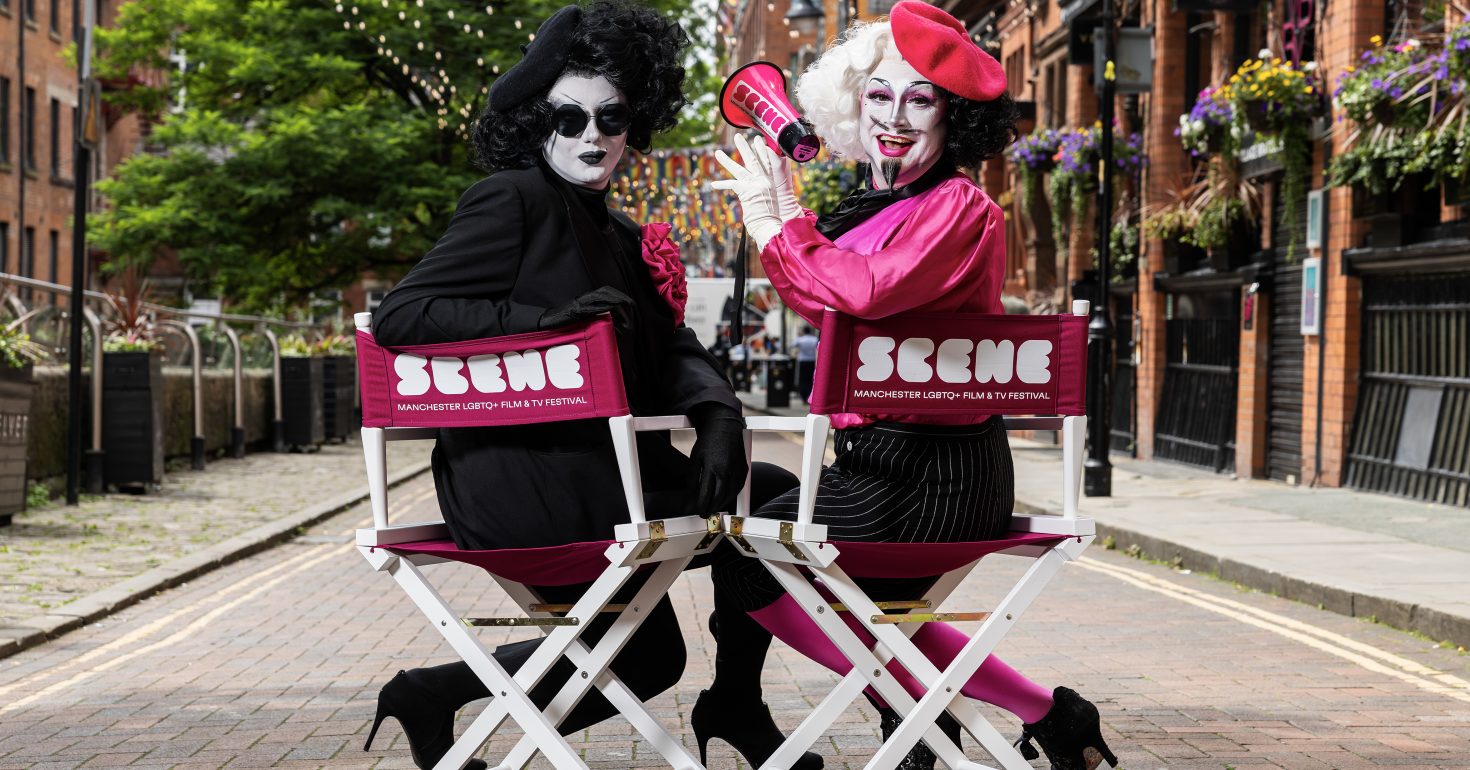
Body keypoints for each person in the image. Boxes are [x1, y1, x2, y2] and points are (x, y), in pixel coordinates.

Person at [363, 4, 817, 768]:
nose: (592, 137)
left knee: (676, 622)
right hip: (517, 479)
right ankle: (733, 706)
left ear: (634, 126)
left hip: (607, 476)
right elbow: (403, 315)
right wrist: (545, 321)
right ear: (537, 124)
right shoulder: (511, 199)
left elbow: (672, 345)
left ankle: (435, 693)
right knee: (756, 520)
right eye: (569, 118)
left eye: (611, 118)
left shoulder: (626, 235)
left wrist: (716, 417)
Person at [710, 4, 1118, 770]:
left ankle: (916, 711)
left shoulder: (958, 208)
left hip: (939, 471)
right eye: (877, 96)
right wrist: (780, 227)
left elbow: (862, 293)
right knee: (791, 540)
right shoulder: (876, 206)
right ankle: (1048, 716)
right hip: (877, 466)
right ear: (851, 108)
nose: (894, 118)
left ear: (952, 118)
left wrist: (782, 221)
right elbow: (819, 298)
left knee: (746, 559)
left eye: (920, 99)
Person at [792, 325, 819, 403]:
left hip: (803, 361)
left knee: (803, 380)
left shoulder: (801, 340)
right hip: (812, 361)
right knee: (811, 379)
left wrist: (798, 335)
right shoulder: (814, 339)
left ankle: (803, 396)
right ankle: (809, 395)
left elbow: (792, 345)